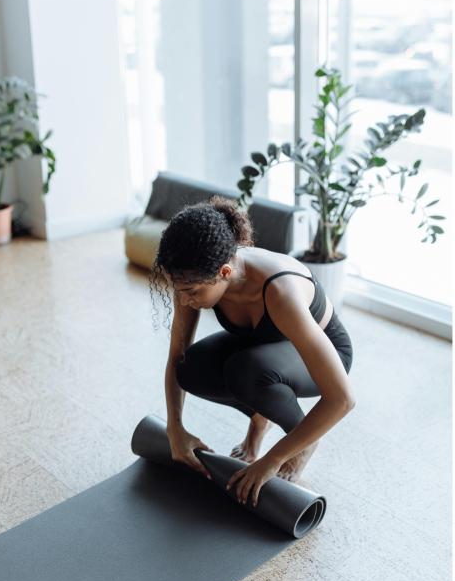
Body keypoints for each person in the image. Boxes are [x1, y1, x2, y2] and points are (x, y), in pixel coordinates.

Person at [148, 195, 355, 508]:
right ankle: (261, 417)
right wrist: (174, 429)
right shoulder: (193, 277)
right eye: (179, 291)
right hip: (265, 348)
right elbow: (177, 352)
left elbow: (342, 399)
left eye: (192, 293)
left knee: (246, 372)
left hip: (327, 353)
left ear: (225, 273)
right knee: (190, 368)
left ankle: (303, 441)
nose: (184, 299)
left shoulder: (279, 291)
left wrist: (272, 460)